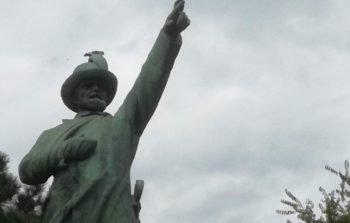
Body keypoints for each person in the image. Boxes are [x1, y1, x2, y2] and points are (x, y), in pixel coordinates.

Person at [18, 1, 190, 222]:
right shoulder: (53, 134)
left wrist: (167, 37)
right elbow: (28, 172)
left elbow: (148, 85)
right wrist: (61, 152)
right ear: (74, 95)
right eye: (88, 85)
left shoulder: (121, 125)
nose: (96, 88)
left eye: (101, 86)